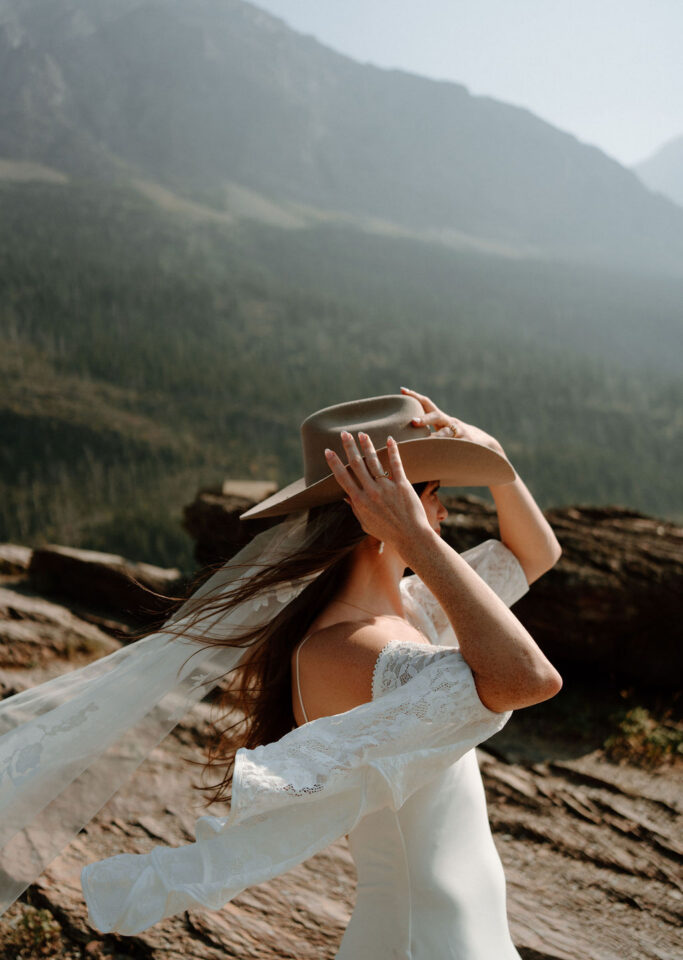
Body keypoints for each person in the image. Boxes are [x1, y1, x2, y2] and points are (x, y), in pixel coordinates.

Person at [1, 388, 562, 958]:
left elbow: (535, 554)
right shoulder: (351, 648)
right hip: (420, 938)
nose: (443, 514)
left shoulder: (410, 609)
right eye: (433, 498)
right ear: (382, 511)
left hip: (463, 929)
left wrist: (494, 457)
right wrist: (414, 537)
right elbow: (529, 678)